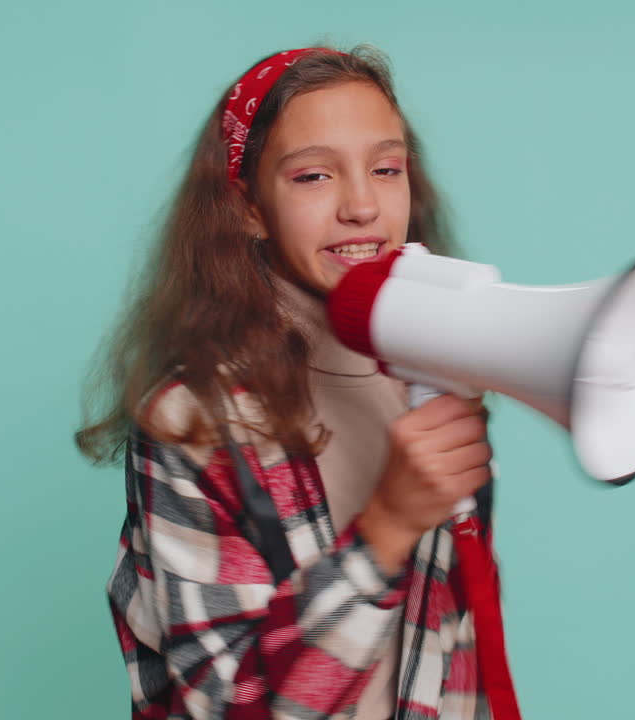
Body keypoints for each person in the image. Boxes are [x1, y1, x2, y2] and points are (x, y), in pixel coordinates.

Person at [77, 44, 505, 720]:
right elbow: (225, 706)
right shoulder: (190, 422)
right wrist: (385, 531)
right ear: (247, 208)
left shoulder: (436, 383)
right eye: (313, 177)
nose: (363, 206)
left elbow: (453, 660)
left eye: (386, 169)